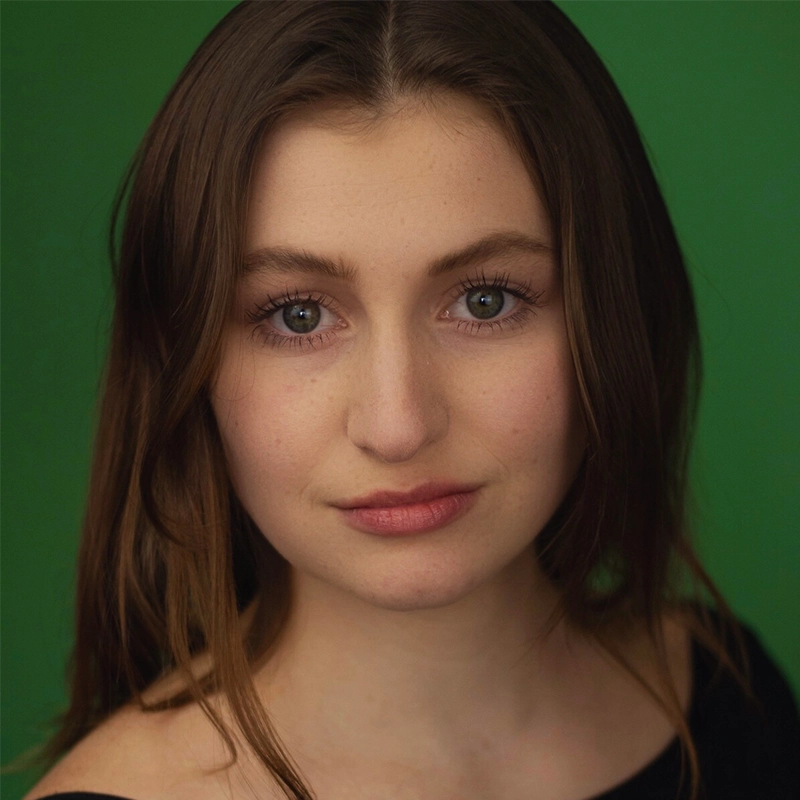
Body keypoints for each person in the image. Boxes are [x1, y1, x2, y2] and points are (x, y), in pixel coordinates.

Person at [22, 2, 799, 799]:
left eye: (487, 302)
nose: (398, 427)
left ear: (614, 317)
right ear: (184, 361)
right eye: (298, 315)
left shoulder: (731, 703)